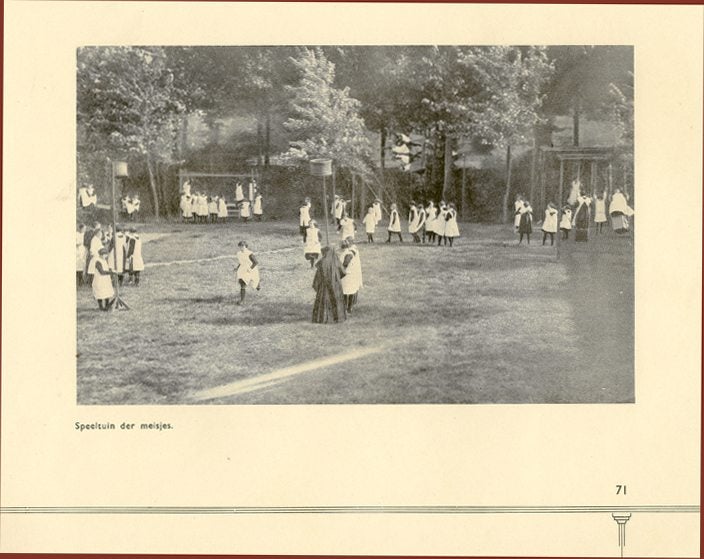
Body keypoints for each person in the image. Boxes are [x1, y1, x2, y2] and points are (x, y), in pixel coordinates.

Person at [312, 245, 346, 324]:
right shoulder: (336, 261)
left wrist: (317, 285)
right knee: (336, 300)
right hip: (336, 286)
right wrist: (336, 279)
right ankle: (337, 318)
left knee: (323, 300)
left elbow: (318, 277)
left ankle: (322, 318)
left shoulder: (321, 262)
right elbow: (343, 272)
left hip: (324, 287)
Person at [339, 238, 363, 314]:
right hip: (351, 273)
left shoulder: (349, 253)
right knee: (350, 290)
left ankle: (347, 307)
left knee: (346, 291)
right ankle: (348, 307)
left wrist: (341, 270)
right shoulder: (350, 251)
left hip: (347, 275)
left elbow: (346, 263)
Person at [234, 240, 260, 305]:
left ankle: (257, 284)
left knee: (254, 282)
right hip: (242, 269)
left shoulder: (249, 253)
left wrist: (250, 269)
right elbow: (241, 262)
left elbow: (255, 262)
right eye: (240, 246)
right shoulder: (239, 253)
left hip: (251, 269)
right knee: (242, 283)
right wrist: (237, 268)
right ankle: (242, 301)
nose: (241, 248)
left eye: (243, 246)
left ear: (246, 246)